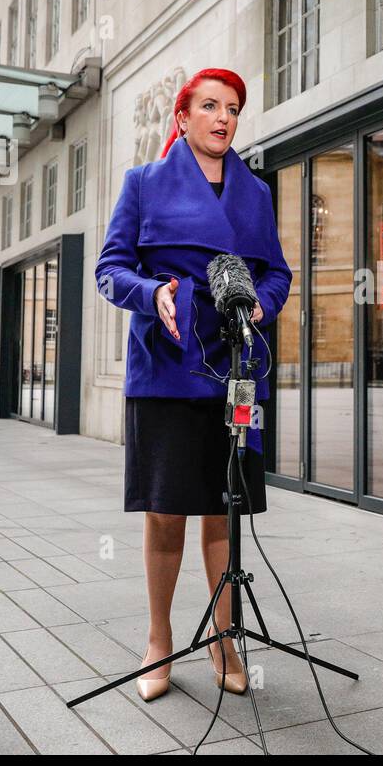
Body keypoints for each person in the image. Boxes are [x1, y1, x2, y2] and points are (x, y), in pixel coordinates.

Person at [95, 68, 292, 702]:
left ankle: (224, 638)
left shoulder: (256, 192)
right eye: (210, 106)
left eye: (233, 108)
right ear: (182, 117)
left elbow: (278, 273)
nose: (223, 118)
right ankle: (158, 639)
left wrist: (260, 303)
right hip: (166, 371)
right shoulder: (144, 184)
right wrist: (154, 294)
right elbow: (110, 270)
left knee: (225, 511)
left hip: (236, 373)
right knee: (164, 511)